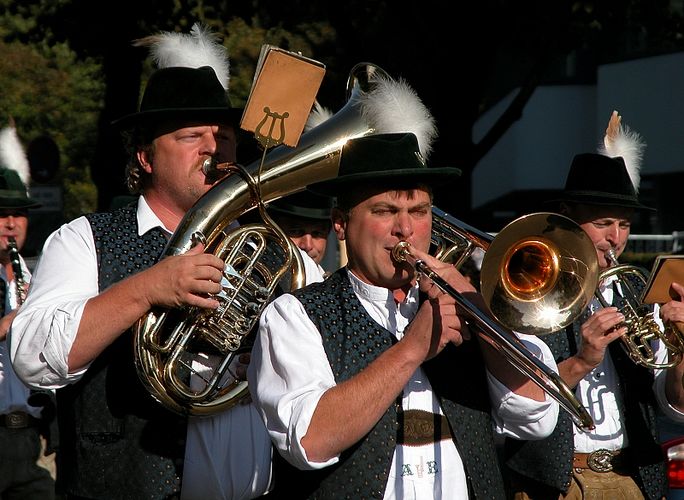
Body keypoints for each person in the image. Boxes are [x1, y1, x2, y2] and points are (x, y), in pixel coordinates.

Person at [248, 132, 561, 499]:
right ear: (340, 223)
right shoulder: (294, 314)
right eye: (384, 211)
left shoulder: (468, 306)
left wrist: (474, 304)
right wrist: (413, 348)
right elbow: (309, 442)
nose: (406, 230)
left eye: (419, 211)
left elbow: (535, 416)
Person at [8, 24, 245, 499]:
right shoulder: (83, 240)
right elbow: (32, 357)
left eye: (222, 136)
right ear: (145, 156)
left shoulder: (268, 248)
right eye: (190, 135)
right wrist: (146, 288)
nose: (212, 148)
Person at [504, 113, 684, 499]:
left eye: (624, 224)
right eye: (604, 223)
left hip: (631, 478)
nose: (615, 239)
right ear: (568, 219)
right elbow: (514, 406)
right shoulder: (525, 288)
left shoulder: (635, 291)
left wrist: (681, 346)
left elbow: (674, 409)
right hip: (554, 482)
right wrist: (583, 360)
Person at [0, 153, 55, 499]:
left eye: (18, 214)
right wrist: (9, 321)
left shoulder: (35, 278)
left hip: (27, 435)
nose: (11, 223)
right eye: (2, 215)